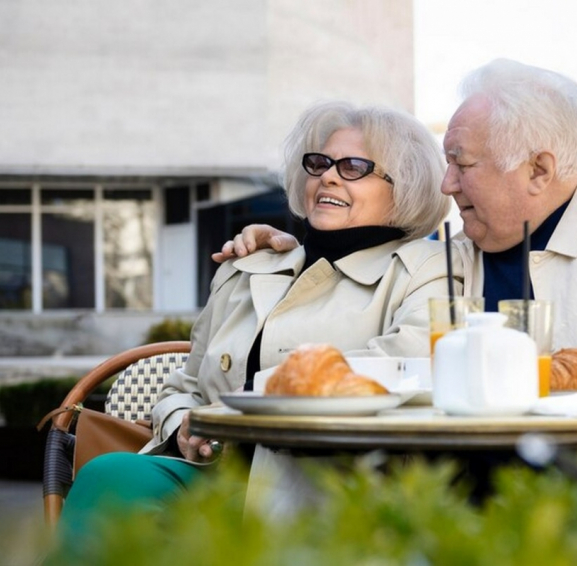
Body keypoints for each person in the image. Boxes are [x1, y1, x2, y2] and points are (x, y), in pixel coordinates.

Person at [216, 58, 577, 419]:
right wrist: (287, 251)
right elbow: (356, 275)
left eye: (461, 163)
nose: (446, 183)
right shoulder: (442, 256)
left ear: (539, 170)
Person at [54, 100, 459, 553]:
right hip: (214, 478)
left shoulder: (427, 270)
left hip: (325, 493)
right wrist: (185, 424)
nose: (327, 176)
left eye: (354, 167)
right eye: (319, 163)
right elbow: (181, 387)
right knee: (111, 477)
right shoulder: (245, 267)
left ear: (404, 185)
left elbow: (399, 376)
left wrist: (243, 412)